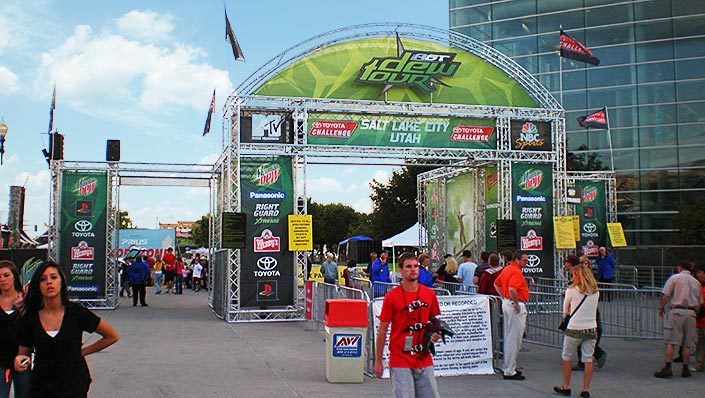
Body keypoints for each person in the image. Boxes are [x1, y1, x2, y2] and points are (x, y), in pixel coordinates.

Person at [13, 261, 119, 397]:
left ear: (61, 282)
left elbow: (112, 336)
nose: (49, 282)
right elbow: (23, 354)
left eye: (53, 277)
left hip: (73, 384)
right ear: (38, 286)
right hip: (41, 386)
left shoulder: (76, 312)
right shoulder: (30, 318)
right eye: (43, 279)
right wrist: (19, 361)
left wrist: (81, 352)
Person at [374, 252, 442, 398]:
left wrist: (437, 333)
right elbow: (382, 330)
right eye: (408, 267)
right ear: (401, 271)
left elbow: (435, 321)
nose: (413, 269)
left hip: (424, 356)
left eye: (416, 266)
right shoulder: (392, 297)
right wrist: (378, 361)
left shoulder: (429, 294)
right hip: (400, 358)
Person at [554, 266, 600, 398]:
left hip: (574, 328)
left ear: (578, 276)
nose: (572, 277)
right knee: (588, 358)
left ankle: (566, 386)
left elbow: (566, 310)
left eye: (574, 274)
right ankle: (585, 389)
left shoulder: (571, 291)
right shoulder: (596, 292)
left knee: (567, 357)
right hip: (591, 327)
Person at [654, 260, 703, 378]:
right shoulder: (696, 282)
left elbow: (666, 294)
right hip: (691, 313)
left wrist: (661, 307)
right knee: (687, 343)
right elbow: (700, 301)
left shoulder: (675, 278)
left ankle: (667, 367)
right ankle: (685, 369)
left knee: (671, 341)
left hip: (677, 310)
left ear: (680, 268)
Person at [494, 251, 529, 380]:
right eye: (524, 260)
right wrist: (516, 303)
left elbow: (496, 284)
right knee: (514, 338)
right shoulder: (516, 271)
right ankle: (509, 370)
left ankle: (509, 367)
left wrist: (504, 297)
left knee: (510, 337)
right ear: (517, 260)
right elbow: (512, 289)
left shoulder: (507, 269)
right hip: (514, 304)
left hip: (508, 303)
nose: (526, 263)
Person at [0, 261, 29, 398]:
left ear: (14, 277)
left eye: (6, 275)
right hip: (1, 360)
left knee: (24, 393)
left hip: (22, 356)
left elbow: (35, 325)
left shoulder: (25, 299)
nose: (2, 279)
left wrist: (22, 309)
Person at [694, 265, 705, 372]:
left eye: (700, 273)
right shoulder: (699, 287)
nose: (698, 275)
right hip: (700, 321)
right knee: (700, 344)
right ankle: (699, 365)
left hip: (702, 318)